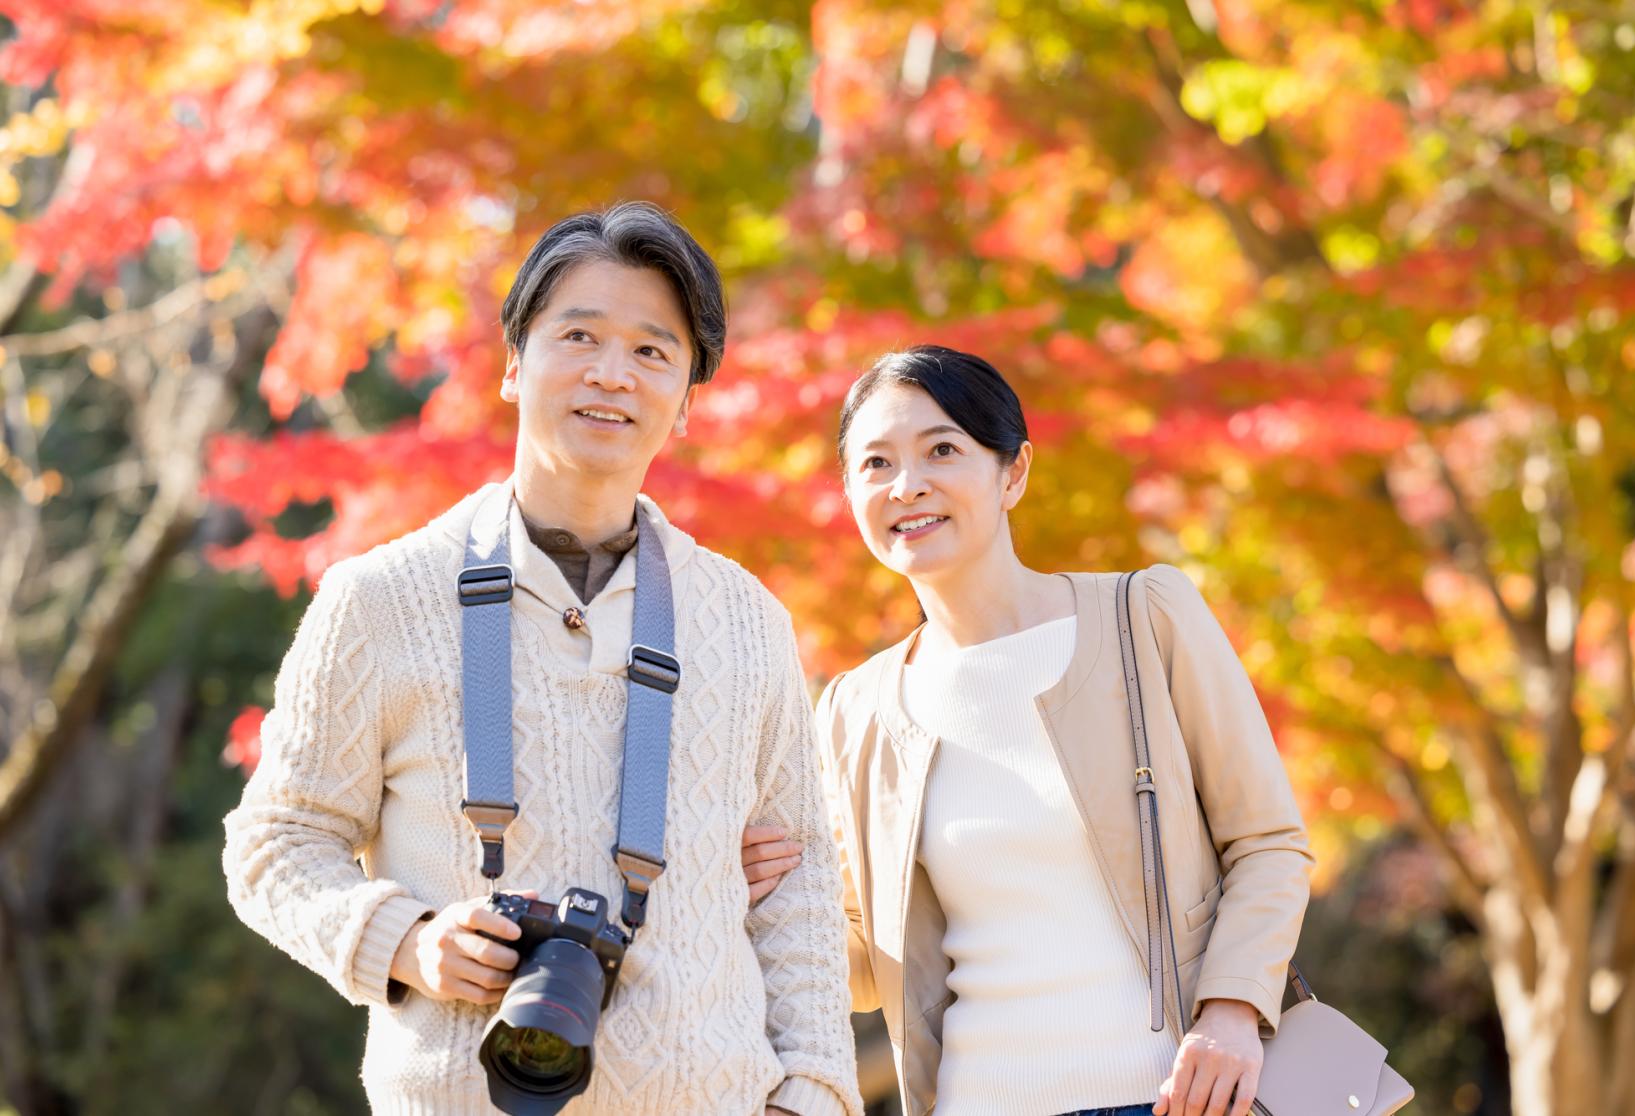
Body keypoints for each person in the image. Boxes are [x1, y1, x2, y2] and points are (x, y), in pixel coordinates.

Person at [223, 202, 862, 1116]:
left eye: (653, 351)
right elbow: (274, 843)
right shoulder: (380, 600)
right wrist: (406, 943)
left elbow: (796, 890)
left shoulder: (748, 620)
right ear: (515, 366)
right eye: (580, 335)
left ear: (685, 403)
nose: (613, 374)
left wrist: (813, 1096)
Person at [802, 345, 1313, 1116]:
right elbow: (865, 963)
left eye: (941, 450)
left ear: (1013, 473)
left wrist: (1232, 1010)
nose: (907, 486)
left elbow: (1266, 843)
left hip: (1179, 1097)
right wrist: (744, 887)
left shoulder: (1145, 617)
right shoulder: (854, 706)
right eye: (874, 464)